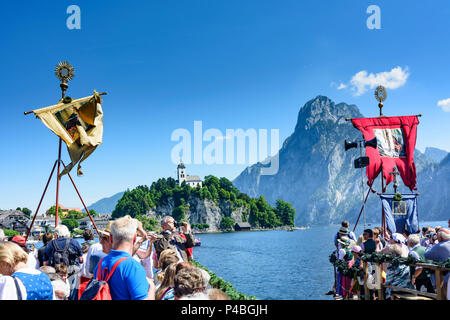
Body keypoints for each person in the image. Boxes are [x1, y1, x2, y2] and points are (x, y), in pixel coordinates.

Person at [92, 215, 155, 300]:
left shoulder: (101, 264)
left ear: (111, 238)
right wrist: (152, 289)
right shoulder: (133, 267)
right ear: (134, 238)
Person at [43, 224, 83, 291]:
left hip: (56, 273)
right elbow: (81, 260)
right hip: (71, 272)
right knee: (71, 292)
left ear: (56, 234)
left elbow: (45, 264)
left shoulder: (50, 244)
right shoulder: (74, 242)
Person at [424, 228, 450, 296]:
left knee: (443, 296)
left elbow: (427, 255)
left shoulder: (440, 246)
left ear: (440, 237)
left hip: (444, 278)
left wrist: (430, 243)